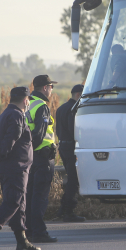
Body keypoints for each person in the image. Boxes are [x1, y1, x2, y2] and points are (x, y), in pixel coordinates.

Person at [0, 86, 40, 250]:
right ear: (26, 100)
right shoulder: (17, 115)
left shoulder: (4, 115)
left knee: (19, 205)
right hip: (16, 167)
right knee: (12, 202)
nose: (28, 103)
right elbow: (13, 136)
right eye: (28, 100)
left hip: (9, 166)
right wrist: (1, 155)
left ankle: (22, 242)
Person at [24, 75, 59, 243]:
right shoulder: (41, 106)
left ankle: (29, 230)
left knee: (30, 195)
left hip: (29, 158)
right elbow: (38, 134)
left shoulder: (27, 104)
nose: (52, 90)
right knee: (40, 197)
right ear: (45, 87)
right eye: (51, 86)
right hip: (42, 157)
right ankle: (39, 232)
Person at [55, 84, 86, 222]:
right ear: (79, 95)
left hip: (63, 146)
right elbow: (73, 130)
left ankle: (62, 210)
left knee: (71, 178)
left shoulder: (61, 108)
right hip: (72, 148)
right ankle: (69, 212)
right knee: (74, 180)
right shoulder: (74, 109)